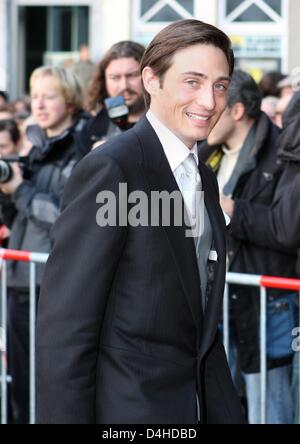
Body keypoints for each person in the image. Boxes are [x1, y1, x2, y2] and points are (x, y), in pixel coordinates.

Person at [37, 19, 245, 424]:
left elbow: (198, 311)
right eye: (192, 81)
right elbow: (66, 328)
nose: (209, 100)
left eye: (220, 85)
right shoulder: (113, 168)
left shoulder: (202, 174)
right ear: (152, 80)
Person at [199, 70, 297, 424]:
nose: (203, 110)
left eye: (215, 103)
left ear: (237, 111)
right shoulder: (205, 152)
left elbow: (285, 229)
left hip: (265, 301)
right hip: (218, 297)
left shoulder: (282, 154)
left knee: (268, 406)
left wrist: (231, 209)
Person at [1, 66, 84, 423]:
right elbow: (18, 215)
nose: (40, 104)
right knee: (20, 384)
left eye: (49, 96)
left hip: (49, 283)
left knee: (47, 385)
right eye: (35, 96)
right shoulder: (34, 147)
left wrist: (20, 189)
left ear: (68, 99)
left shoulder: (80, 152)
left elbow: (65, 217)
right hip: (20, 280)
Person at [77, 41, 145, 158]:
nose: (124, 86)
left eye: (132, 75)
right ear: (104, 81)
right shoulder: (91, 129)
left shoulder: (168, 124)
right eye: (115, 78)